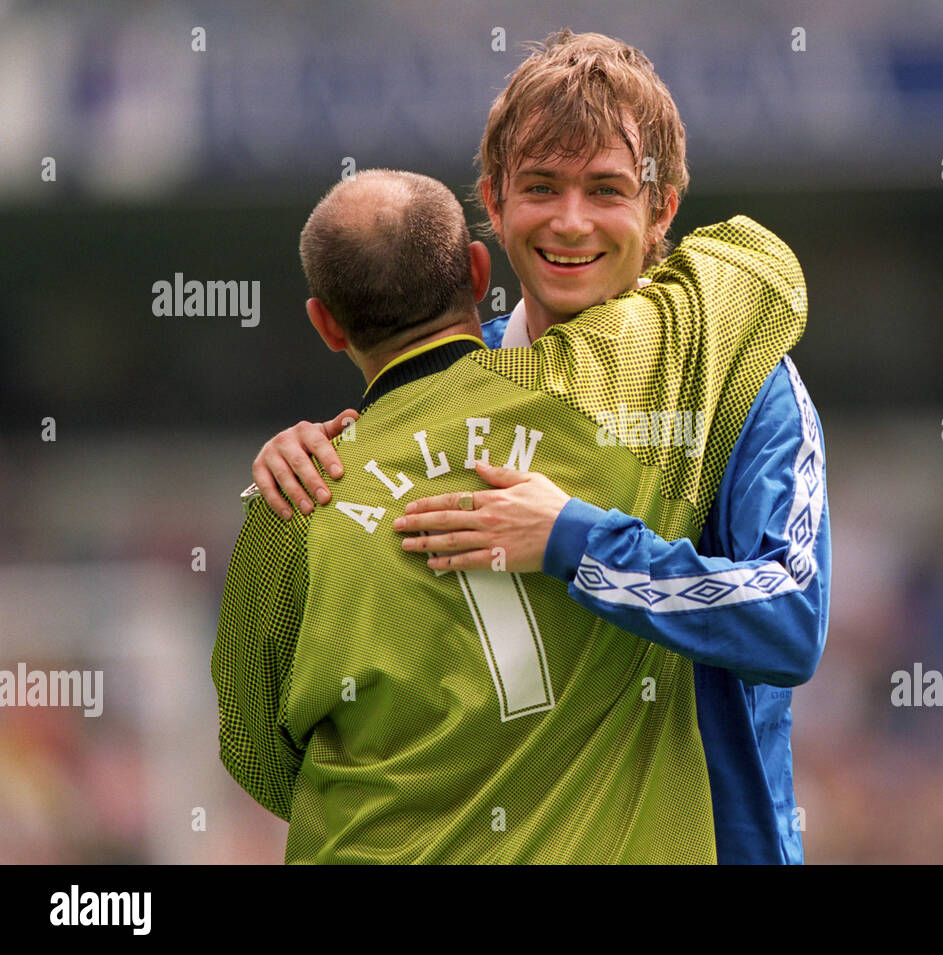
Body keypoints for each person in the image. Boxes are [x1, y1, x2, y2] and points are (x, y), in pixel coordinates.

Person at [250, 30, 831, 863]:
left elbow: (789, 620)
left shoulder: (742, 380)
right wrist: (298, 473)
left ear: (661, 208)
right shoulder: (442, 394)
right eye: (541, 187)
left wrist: (571, 539)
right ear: (492, 199)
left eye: (606, 190)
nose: (570, 221)